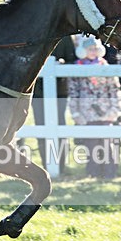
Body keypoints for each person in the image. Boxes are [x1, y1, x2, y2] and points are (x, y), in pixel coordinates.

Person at [68, 37, 121, 179]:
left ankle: (110, 174)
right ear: (82, 51)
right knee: (91, 145)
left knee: (108, 145)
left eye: (95, 49)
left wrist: (115, 110)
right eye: (89, 49)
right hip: (86, 113)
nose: (92, 52)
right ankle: (93, 174)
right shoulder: (77, 68)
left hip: (106, 111)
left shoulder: (105, 67)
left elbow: (115, 90)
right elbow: (73, 92)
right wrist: (75, 113)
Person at [31, 35, 75, 174]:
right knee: (41, 126)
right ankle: (47, 164)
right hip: (36, 91)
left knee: (60, 125)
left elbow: (72, 60)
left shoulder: (65, 37)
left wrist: (61, 64)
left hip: (59, 90)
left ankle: (61, 164)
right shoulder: (34, 32)